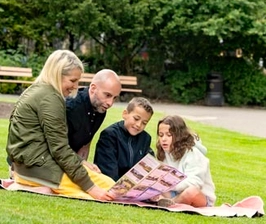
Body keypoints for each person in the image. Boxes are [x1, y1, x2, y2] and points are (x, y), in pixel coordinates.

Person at [6, 50, 115, 200]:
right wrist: (91, 188)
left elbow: (55, 146)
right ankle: (26, 186)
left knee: (108, 184)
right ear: (58, 74)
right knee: (105, 191)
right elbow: (60, 150)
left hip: (31, 164)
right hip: (36, 168)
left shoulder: (40, 90)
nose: (76, 86)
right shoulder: (50, 98)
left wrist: (80, 162)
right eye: (72, 81)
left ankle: (35, 187)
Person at [154, 115, 216, 208]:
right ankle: (167, 201)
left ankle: (172, 203)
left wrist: (171, 184)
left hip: (199, 197)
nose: (163, 139)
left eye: (169, 135)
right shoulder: (164, 152)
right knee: (152, 188)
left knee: (191, 192)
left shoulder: (193, 153)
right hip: (172, 192)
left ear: (179, 136)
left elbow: (195, 183)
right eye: (161, 135)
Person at [66, 69, 122, 165]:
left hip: (74, 163)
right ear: (93, 89)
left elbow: (85, 146)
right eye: (107, 95)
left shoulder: (100, 110)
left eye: (114, 97)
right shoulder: (71, 108)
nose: (110, 103)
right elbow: (57, 149)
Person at [94, 97, 155, 181]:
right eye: (136, 119)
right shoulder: (110, 135)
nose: (138, 125)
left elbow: (148, 167)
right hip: (112, 185)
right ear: (125, 114)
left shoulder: (145, 138)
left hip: (136, 187)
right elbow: (108, 172)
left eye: (144, 123)